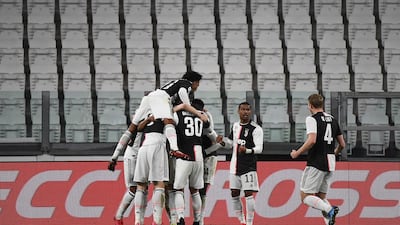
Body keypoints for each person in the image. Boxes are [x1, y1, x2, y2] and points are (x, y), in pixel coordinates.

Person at [110, 71, 208, 168]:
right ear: (195, 82)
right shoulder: (186, 83)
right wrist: (193, 109)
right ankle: (174, 148)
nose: (197, 87)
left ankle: (114, 156)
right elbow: (183, 95)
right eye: (198, 84)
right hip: (162, 98)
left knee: (131, 128)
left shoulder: (175, 83)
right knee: (168, 121)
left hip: (149, 97)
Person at [290, 93, 346, 225]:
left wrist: (297, 153)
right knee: (321, 198)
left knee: (305, 197)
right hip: (330, 162)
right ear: (322, 104)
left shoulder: (312, 119)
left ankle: (330, 209)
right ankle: (329, 222)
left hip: (317, 162)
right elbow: (342, 144)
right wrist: (334, 152)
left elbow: (312, 140)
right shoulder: (333, 119)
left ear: (310, 105)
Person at [172, 99, 215, 225]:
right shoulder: (202, 117)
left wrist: (179, 107)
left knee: (179, 189)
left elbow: (168, 116)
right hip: (199, 156)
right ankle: (197, 220)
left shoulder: (178, 115)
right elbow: (208, 126)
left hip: (184, 154)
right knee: (195, 190)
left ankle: (180, 218)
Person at [221, 102, 263, 225]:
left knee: (248, 193)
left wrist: (248, 150)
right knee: (234, 193)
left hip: (248, 167)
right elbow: (230, 143)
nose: (245, 112)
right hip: (234, 166)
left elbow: (260, 148)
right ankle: (241, 221)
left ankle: (250, 222)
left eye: (248, 110)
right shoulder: (235, 126)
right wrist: (222, 142)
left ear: (251, 112)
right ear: (238, 111)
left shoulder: (256, 129)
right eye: (243, 109)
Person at [108, 115, 150, 225]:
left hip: (143, 156)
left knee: (144, 189)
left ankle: (140, 220)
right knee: (133, 188)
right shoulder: (142, 119)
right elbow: (126, 137)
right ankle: (119, 215)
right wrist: (114, 157)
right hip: (132, 156)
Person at [133, 114, 169, 225]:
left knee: (141, 185)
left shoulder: (144, 111)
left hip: (144, 146)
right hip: (158, 144)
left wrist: (148, 119)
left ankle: (138, 220)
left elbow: (138, 128)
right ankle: (157, 220)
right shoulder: (164, 109)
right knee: (159, 184)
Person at [198, 104, 223, 225]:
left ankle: (200, 219)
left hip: (209, 156)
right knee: (194, 189)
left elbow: (217, 141)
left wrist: (205, 152)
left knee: (203, 189)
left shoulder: (207, 117)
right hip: (196, 156)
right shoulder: (187, 118)